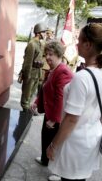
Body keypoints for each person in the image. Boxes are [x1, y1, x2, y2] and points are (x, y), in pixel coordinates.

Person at [47, 23, 102, 181]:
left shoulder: (83, 77)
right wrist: (91, 123)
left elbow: (72, 119)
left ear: (88, 44)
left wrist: (54, 145)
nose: (76, 44)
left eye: (79, 40)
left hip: (74, 143)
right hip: (92, 138)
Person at [31, 40, 73, 181]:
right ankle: (45, 159)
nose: (47, 57)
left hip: (57, 115)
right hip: (49, 111)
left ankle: (58, 172)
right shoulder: (52, 69)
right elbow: (45, 89)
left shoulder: (63, 71)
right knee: (45, 137)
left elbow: (60, 98)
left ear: (59, 54)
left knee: (56, 143)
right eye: (46, 54)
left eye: (51, 54)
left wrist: (54, 119)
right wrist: (37, 102)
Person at [20, 23, 47, 112]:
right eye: (44, 32)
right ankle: (25, 109)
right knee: (26, 94)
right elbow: (28, 62)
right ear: (38, 33)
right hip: (31, 73)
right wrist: (26, 76)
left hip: (37, 73)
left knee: (31, 93)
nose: (45, 34)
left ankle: (28, 108)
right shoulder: (32, 44)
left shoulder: (40, 43)